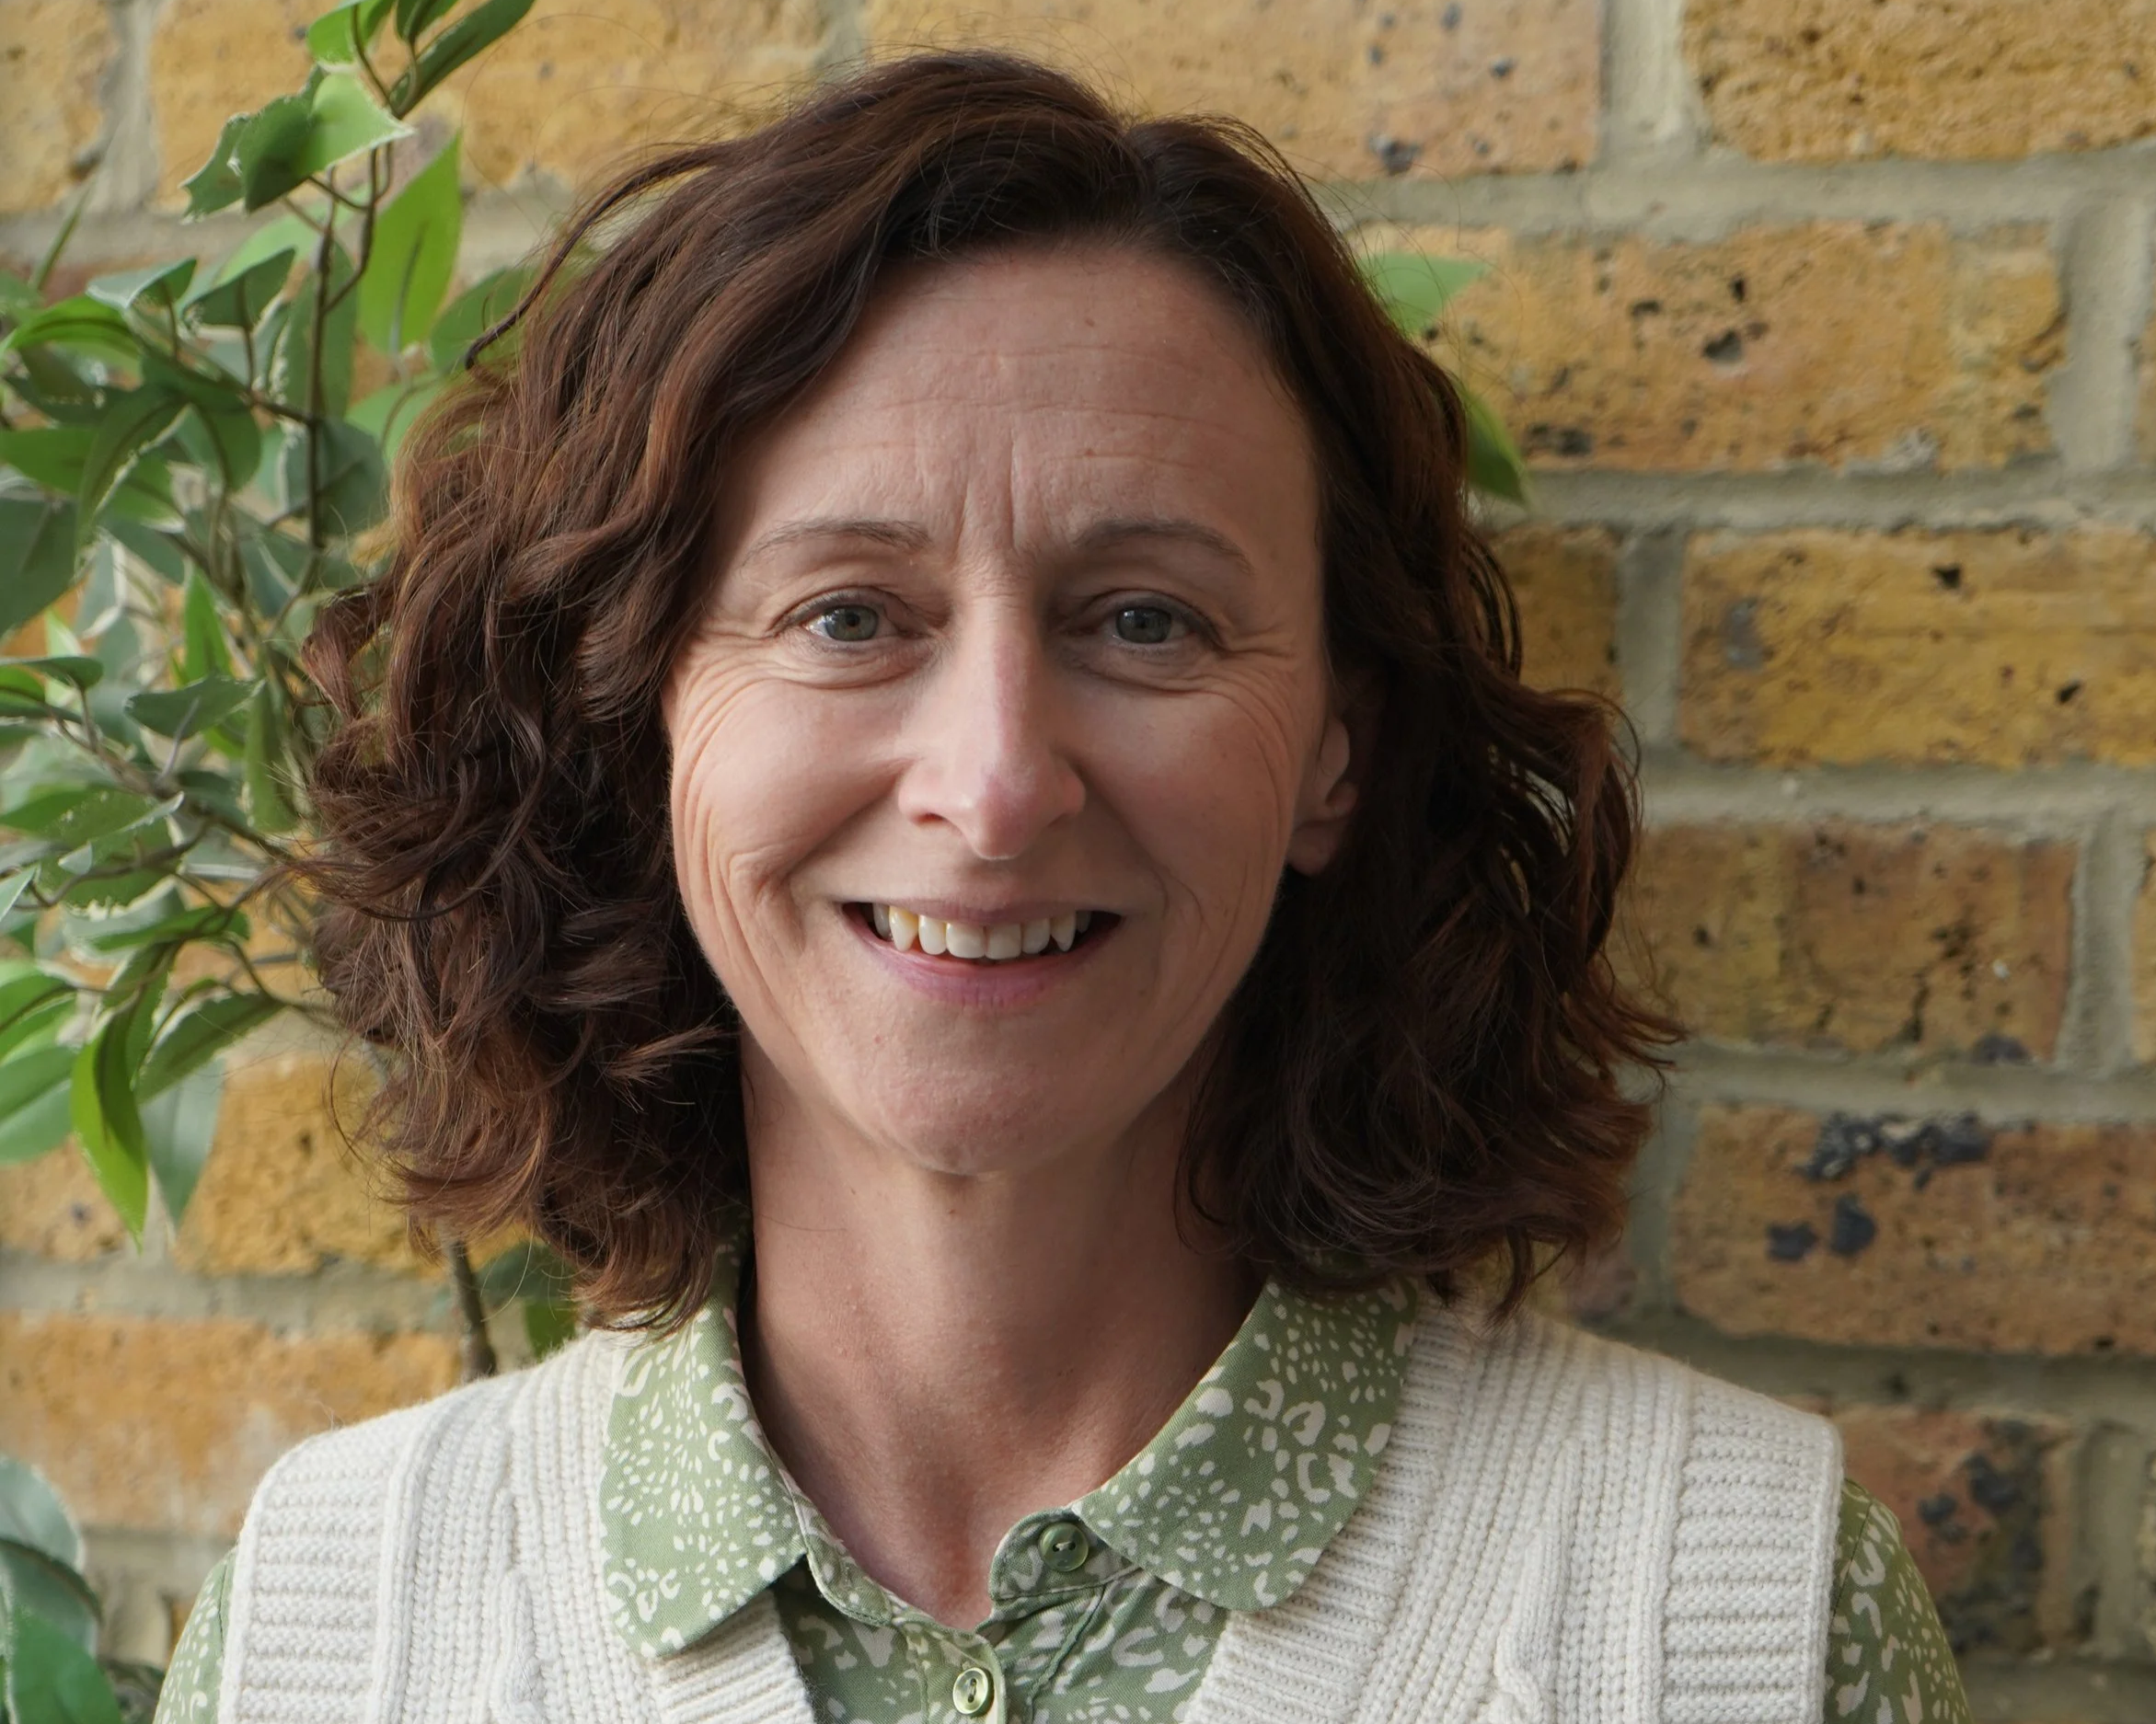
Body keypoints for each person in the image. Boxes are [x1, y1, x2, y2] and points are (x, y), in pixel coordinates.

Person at [154, 52, 1969, 1724]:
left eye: (1145, 620)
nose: (999, 784)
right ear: (642, 726)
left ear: (1337, 743)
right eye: (847, 615)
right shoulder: (338, 1626)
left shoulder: (1734, 1618)